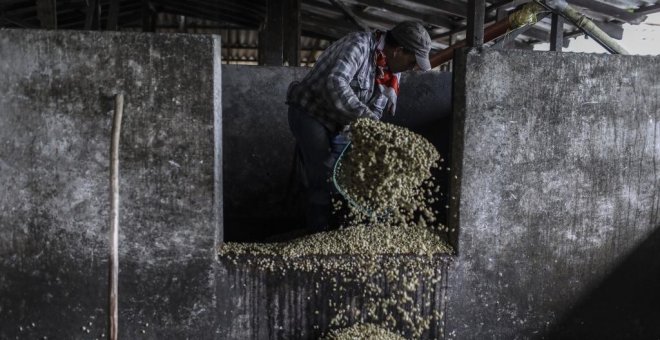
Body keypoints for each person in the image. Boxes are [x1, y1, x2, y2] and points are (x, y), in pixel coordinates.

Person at [286, 21, 433, 232]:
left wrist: (373, 136)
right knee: (323, 173)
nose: (412, 68)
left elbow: (376, 110)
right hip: (312, 112)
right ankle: (317, 232)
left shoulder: (391, 72)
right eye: (412, 62)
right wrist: (369, 122)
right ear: (398, 51)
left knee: (351, 172)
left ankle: (345, 229)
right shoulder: (359, 44)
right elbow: (334, 83)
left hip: (342, 120)